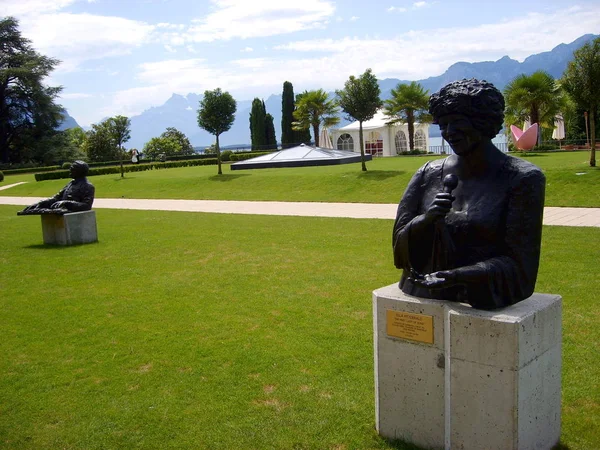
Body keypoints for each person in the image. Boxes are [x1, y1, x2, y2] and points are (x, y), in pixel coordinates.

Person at [392, 79, 545, 310]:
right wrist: (426, 220)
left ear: (483, 122)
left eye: (457, 123)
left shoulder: (522, 178)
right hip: (420, 289)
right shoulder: (427, 174)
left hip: (479, 296)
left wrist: (458, 276)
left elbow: (520, 266)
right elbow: (399, 248)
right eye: (442, 125)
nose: (448, 133)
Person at [18, 160, 95, 215]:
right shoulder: (71, 183)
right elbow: (57, 197)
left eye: (72, 170)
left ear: (79, 172)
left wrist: (66, 203)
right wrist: (41, 203)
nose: (70, 171)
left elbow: (86, 206)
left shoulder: (88, 186)